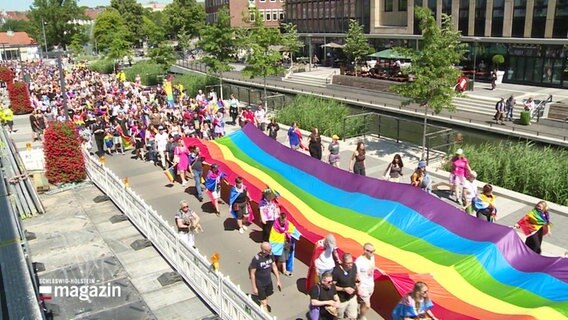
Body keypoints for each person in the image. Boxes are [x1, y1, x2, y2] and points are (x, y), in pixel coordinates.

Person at [249, 242, 282, 313]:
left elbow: (274, 266)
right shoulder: (256, 259)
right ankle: (264, 314)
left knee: (267, 297)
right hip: (260, 284)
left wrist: (278, 280)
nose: (270, 251)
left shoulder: (270, 255)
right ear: (263, 250)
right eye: (269, 250)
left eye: (270, 249)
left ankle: (263, 303)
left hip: (268, 282)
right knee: (264, 303)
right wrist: (254, 287)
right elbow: (252, 274)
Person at [269, 212, 301, 277]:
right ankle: (283, 270)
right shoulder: (275, 226)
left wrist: (298, 234)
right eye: (282, 221)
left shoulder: (287, 223)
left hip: (287, 243)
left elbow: (293, 229)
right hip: (279, 244)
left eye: (284, 220)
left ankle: (278, 268)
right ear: (279, 219)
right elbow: (273, 236)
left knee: (284, 258)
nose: (283, 222)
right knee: (281, 258)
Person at [332, 253, 358, 320]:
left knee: (353, 316)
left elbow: (356, 275)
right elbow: (331, 286)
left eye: (351, 262)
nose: (351, 265)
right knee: (339, 317)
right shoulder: (336, 272)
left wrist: (357, 281)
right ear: (343, 262)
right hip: (341, 300)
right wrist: (344, 289)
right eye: (348, 263)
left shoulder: (354, 266)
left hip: (352, 297)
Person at [355, 243, 378, 320]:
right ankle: (361, 317)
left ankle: (361, 314)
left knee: (363, 304)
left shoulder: (372, 257)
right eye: (371, 251)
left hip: (370, 285)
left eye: (373, 251)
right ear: (365, 251)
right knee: (367, 305)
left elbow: (373, 266)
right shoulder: (359, 261)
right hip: (363, 286)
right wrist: (358, 288)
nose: (372, 253)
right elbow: (356, 276)